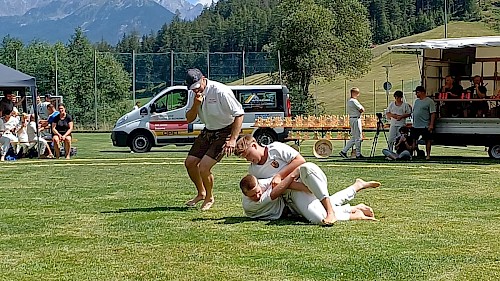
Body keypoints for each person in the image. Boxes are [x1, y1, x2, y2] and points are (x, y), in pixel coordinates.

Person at [234, 135, 337, 225]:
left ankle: (330, 211)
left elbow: (300, 161)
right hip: (293, 194)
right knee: (318, 219)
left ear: (254, 146)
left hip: (308, 179)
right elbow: (269, 189)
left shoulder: (275, 148)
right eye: (245, 158)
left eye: (247, 155)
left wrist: (279, 176)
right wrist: (292, 185)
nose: (247, 159)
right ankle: (349, 211)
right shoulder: (253, 170)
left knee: (307, 168)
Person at [239, 162, 381, 224]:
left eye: (257, 192)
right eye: (252, 195)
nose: (257, 196)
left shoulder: (262, 183)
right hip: (290, 207)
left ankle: (356, 191)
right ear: (245, 195)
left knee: (306, 169)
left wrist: (304, 184)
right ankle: (354, 208)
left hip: (292, 199)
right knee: (319, 216)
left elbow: (282, 180)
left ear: (258, 183)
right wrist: (297, 176)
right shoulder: (249, 205)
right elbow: (276, 191)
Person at [183, 68, 244, 211]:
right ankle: (201, 193)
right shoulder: (194, 94)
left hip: (225, 131)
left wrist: (233, 139)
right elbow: (189, 119)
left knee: (204, 167)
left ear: (203, 79)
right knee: (190, 163)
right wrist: (196, 104)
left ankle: (209, 197)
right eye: (192, 88)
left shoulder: (220, 91)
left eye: (197, 86)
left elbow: (239, 114)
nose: (196, 90)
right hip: (208, 130)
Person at [411, 86, 436, 160]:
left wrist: (431, 124)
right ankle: (412, 154)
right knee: (413, 139)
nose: (416, 94)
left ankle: (428, 155)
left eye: (417, 92)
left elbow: (432, 113)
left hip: (425, 125)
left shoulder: (429, 101)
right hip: (416, 125)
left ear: (422, 92)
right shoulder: (416, 101)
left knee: (427, 140)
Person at [340, 87, 365, 159]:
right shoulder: (353, 101)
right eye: (357, 93)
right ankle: (358, 154)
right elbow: (362, 109)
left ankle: (344, 151)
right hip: (356, 119)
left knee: (354, 138)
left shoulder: (350, 101)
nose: (358, 95)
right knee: (358, 137)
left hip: (352, 118)